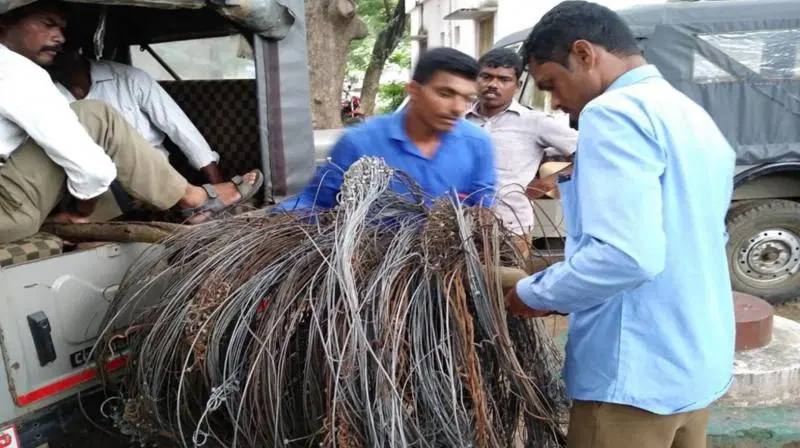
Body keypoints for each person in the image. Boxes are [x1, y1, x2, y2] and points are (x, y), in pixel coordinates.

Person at [504, 2, 736, 447]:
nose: (555, 101)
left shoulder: (613, 112)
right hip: (695, 362)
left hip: (633, 377)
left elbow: (626, 256)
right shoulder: (692, 116)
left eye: (552, 82)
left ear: (584, 53)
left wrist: (535, 294)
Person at [0, 1, 261, 243]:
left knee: (96, 135)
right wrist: (80, 211)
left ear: (82, 53)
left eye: (63, 34)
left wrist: (214, 180)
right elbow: (93, 170)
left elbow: (180, 129)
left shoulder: (129, 79)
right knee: (96, 122)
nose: (59, 40)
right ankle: (192, 200)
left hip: (146, 177)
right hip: (47, 195)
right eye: (48, 25)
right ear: (5, 25)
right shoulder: (24, 75)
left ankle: (194, 200)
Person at [277, 47, 496, 211]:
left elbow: (483, 212)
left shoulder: (477, 145)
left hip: (450, 269)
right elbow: (316, 203)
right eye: (445, 94)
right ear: (413, 91)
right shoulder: (359, 143)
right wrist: (273, 221)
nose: (458, 108)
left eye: (467, 98)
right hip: (367, 266)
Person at [50, 49, 225, 184]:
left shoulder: (130, 79)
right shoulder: (40, 92)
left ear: (77, 49)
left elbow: (179, 128)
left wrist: (217, 185)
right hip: (86, 179)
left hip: (150, 172)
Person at [465, 48, 576, 249]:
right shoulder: (457, 120)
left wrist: (548, 182)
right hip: (457, 229)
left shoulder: (535, 122)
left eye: (503, 79)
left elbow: (589, 152)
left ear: (518, 86)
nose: (493, 84)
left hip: (511, 229)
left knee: (508, 279)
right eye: (486, 77)